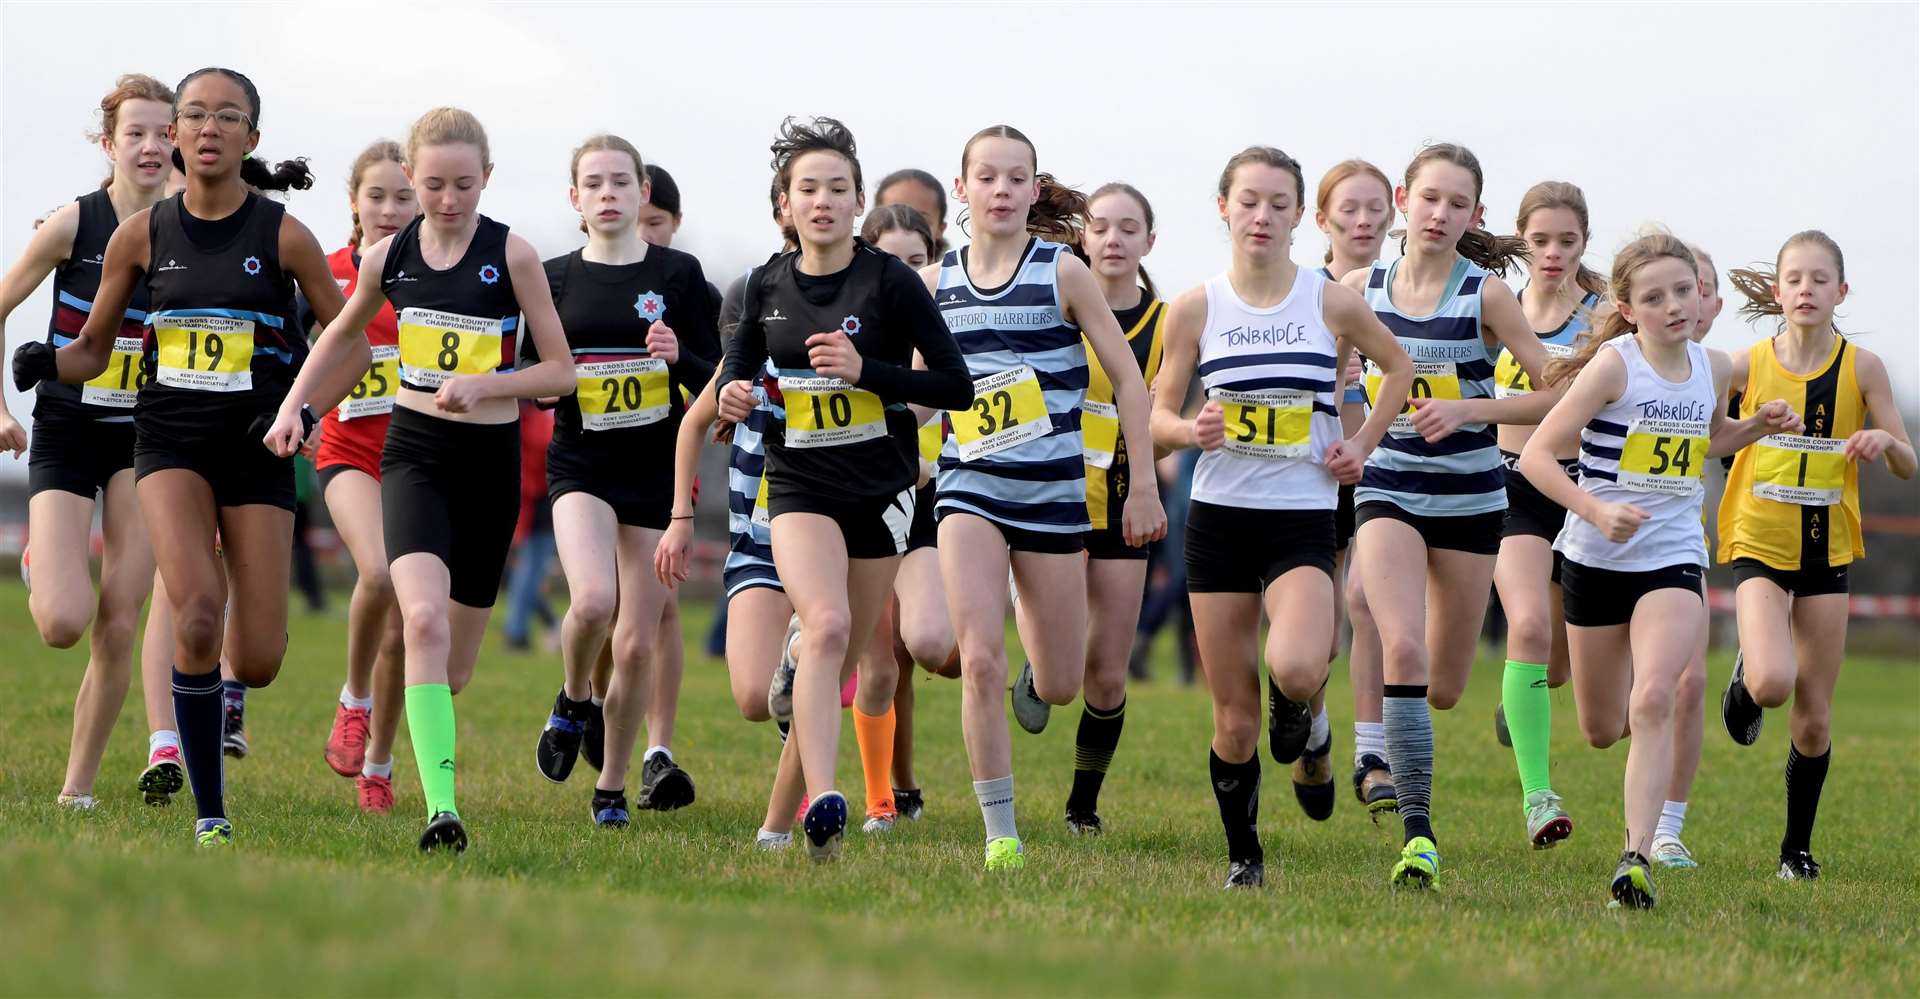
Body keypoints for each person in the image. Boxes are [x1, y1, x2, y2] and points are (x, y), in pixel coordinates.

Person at [14, 67, 345, 846]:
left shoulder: (282, 235)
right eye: (192, 114)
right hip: (165, 444)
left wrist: (304, 408)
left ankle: (238, 674)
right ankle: (210, 812)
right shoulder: (141, 234)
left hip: (257, 447)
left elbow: (351, 336)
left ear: (250, 138)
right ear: (175, 136)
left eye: (226, 117)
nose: (206, 128)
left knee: (256, 657)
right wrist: (46, 363)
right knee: (195, 611)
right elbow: (94, 348)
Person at [267, 106, 575, 852]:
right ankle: (443, 809)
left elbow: (561, 372)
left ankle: (407, 743)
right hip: (414, 457)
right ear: (411, 176)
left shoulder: (516, 256)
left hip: (488, 467)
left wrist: (492, 383)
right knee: (423, 621)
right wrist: (294, 408)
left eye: (464, 185)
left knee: (455, 666)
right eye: (432, 184)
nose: (446, 199)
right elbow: (338, 335)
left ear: (487, 179)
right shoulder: (388, 258)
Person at [1151, 146, 1410, 888]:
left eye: (1278, 203)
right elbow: (1159, 414)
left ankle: (1303, 714)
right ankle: (1245, 855)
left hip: (1301, 514)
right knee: (1232, 720)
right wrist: (1188, 432)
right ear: (1224, 208)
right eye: (1249, 200)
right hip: (1219, 521)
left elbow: (1398, 369)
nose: (1262, 215)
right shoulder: (1196, 307)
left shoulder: (1329, 301)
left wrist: (1360, 442)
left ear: (1301, 216)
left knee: (1297, 663)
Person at [714, 117, 972, 860]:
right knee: (824, 627)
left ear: (858, 201)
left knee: (837, 657)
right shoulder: (767, 282)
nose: (821, 201)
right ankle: (828, 795)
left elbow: (954, 384)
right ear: (786, 204)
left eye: (836, 188)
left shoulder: (888, 280)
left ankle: (775, 827)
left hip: (881, 493)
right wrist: (734, 397)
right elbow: (737, 373)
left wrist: (869, 373)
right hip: (799, 486)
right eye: (807, 189)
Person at [1519, 232, 1800, 909]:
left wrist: (1755, 424)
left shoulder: (1713, 364)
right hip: (1595, 556)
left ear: (1701, 298)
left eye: (1684, 290)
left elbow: (1707, 442)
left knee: (1655, 698)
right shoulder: (1614, 367)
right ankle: (1632, 817)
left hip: (1674, 555)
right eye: (1655, 296)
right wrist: (1594, 507)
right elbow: (1536, 455)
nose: (1675, 305)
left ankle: (1634, 859)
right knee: (1599, 725)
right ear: (1628, 307)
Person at [923, 125, 1166, 870]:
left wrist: (1146, 485)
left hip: (1055, 498)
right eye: (986, 177)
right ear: (962, 189)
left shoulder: (1062, 271)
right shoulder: (935, 284)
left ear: (1035, 190)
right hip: (969, 491)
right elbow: (917, 398)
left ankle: (1041, 664)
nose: (1000, 190)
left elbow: (1128, 380)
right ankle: (1001, 832)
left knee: (1061, 680)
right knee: (981, 659)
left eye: (1015, 178)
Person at [1337, 142, 1555, 890]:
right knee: (1401, 648)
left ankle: (1421, 731)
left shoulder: (1487, 295)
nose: (1440, 214)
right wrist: (1355, 426)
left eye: (1457, 203)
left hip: (1469, 498)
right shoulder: (1357, 287)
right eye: (1429, 198)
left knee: (1444, 685)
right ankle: (1419, 835)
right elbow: (1333, 377)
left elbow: (1549, 395)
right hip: (1389, 487)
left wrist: (1469, 408)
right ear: (1403, 200)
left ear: (1475, 215)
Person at [0, 74, 180, 810]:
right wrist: (2, 411)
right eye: (133, 133)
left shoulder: (195, 227)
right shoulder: (73, 223)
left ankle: (77, 790)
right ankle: (47, 556)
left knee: (119, 616)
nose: (149, 145)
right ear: (107, 145)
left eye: (162, 131)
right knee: (62, 623)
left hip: (146, 439)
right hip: (69, 428)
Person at [531, 134, 716, 825]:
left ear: (644, 194)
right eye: (594, 183)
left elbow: (716, 380)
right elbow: (537, 374)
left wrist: (681, 356)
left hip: (653, 471)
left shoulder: (678, 273)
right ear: (575, 198)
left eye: (621, 182)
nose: (608, 194)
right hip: (581, 464)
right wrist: (551, 388)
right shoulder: (554, 277)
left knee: (639, 639)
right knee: (592, 604)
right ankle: (574, 696)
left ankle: (610, 787)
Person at [1718, 231, 1914, 881]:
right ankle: (1747, 681)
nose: (1806, 289)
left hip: (1827, 549)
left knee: (1813, 713)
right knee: (1773, 682)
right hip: (1756, 540)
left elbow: (1908, 464)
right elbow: (1710, 439)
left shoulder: (1863, 368)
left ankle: (1794, 851)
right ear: (1777, 292)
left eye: (1819, 279)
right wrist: (1749, 429)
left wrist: (1885, 438)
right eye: (1794, 279)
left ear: (1841, 291)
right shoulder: (1745, 365)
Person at [296, 139, 417, 814]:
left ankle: (379, 763)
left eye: (405, 196)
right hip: (347, 450)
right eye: (378, 195)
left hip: (421, 460)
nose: (391, 208)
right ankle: (353, 697)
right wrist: (298, 409)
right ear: (354, 202)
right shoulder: (333, 272)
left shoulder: (441, 275)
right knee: (379, 573)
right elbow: (289, 346)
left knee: (405, 627)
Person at [1487, 181, 1605, 849]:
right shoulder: (1496, 307)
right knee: (1526, 625)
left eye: (1567, 241)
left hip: (1582, 489)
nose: (1553, 253)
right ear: (1521, 240)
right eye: (1540, 241)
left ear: (1584, 241)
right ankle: (1538, 796)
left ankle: (1520, 696)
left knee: (1554, 668)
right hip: (1510, 484)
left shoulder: (1604, 315)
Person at [1058, 181, 1168, 834]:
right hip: (1051, 500)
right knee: (1060, 668)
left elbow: (1171, 411)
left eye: (1129, 228)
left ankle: (1083, 804)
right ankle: (1037, 664)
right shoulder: (1052, 311)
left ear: (1149, 241)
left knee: (1104, 674)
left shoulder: (1165, 323)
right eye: (1100, 226)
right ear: (1082, 237)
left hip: (1126, 506)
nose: (1114, 239)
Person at [1312, 158, 1396, 820]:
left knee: (1364, 599)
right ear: (1323, 219)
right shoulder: (1300, 293)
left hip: (1380, 470)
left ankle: (1372, 757)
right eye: (1349, 210)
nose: (1363, 221)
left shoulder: (1403, 295)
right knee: (1320, 640)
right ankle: (1312, 730)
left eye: (1375, 209)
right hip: (1309, 471)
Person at [876, 168, 950, 256]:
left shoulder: (953, 269)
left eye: (921, 221)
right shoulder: (859, 268)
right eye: (893, 218)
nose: (904, 230)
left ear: (940, 229)